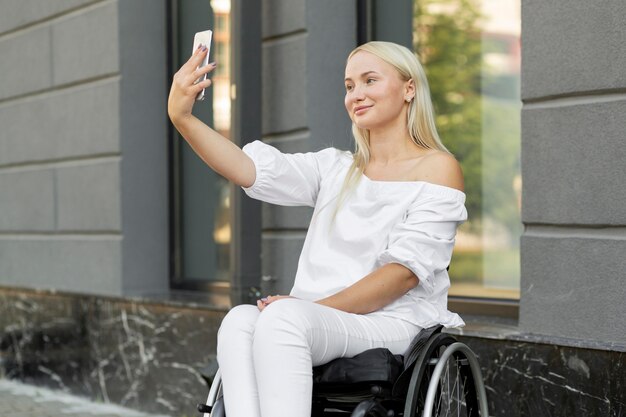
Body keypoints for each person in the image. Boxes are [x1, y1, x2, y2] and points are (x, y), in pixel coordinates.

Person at [168, 41, 467, 417]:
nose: (356, 94)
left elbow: (402, 276)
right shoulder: (337, 169)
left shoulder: (437, 168)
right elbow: (248, 168)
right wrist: (183, 118)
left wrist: (309, 308)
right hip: (316, 318)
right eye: (349, 86)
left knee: (282, 319)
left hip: (392, 321)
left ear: (409, 88)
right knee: (240, 320)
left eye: (369, 80)